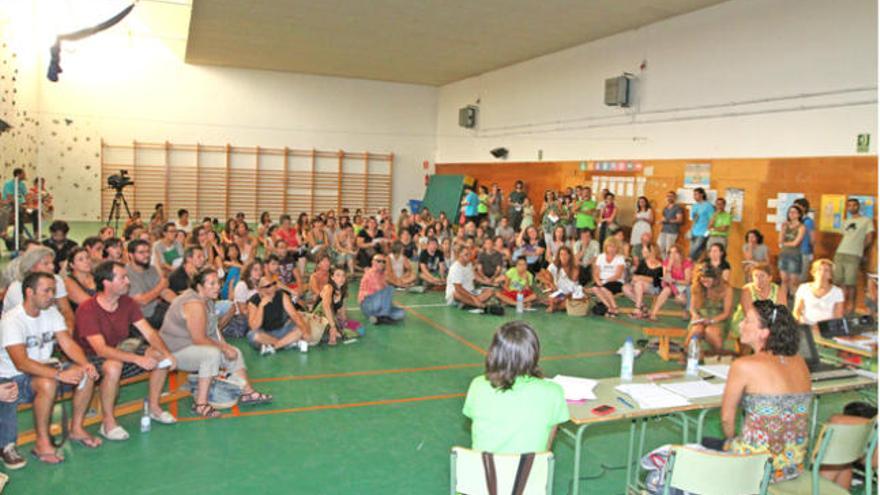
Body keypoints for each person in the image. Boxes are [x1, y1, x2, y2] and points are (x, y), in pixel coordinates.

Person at [0, 272, 102, 466]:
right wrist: (59, 374)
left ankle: (77, 429)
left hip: (46, 369)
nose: (52, 296)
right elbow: (21, 363)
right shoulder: (12, 320)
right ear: (30, 292)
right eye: (46, 291)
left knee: (86, 374)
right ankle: (42, 443)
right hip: (14, 378)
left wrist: (85, 364)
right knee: (47, 383)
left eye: (53, 291)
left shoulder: (51, 312)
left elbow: (67, 344)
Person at [75, 261, 178, 441]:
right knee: (113, 366)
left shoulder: (127, 303)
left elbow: (149, 332)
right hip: (92, 358)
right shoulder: (87, 309)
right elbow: (100, 349)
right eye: (122, 277)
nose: (128, 281)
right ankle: (108, 422)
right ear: (107, 283)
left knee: (159, 356)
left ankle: (154, 407)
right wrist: (136, 359)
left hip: (121, 350)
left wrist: (167, 353)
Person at [160, 269, 271, 418]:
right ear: (199, 287)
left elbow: (214, 332)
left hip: (190, 346)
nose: (217, 287)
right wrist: (224, 349)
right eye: (211, 283)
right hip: (173, 351)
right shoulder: (194, 303)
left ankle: (248, 393)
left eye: (217, 283)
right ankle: (201, 404)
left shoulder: (208, 301)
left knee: (234, 351)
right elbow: (199, 338)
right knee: (211, 354)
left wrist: (227, 347)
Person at [721, 301, 811, 483]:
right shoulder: (801, 362)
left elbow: (726, 420)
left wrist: (730, 442)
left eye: (747, 321)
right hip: (792, 466)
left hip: (755, 468)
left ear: (764, 333)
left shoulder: (743, 366)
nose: (740, 325)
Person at [462, 321, 569, 453]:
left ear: (495, 351)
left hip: (483, 470)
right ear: (533, 353)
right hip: (529, 472)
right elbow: (546, 448)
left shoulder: (477, 385)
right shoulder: (553, 392)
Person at [2, 246, 76, 332]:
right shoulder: (17, 288)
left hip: (51, 328)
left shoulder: (57, 280)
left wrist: (69, 330)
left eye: (52, 263)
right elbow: (30, 319)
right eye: (46, 263)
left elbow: (66, 310)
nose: (52, 267)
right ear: (31, 267)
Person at [729, 263, 786, 353]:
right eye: (755, 276)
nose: (758, 279)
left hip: (769, 321)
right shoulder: (747, 290)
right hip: (747, 321)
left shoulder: (778, 290)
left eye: (762, 276)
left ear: (770, 277)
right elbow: (749, 313)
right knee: (752, 332)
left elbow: (782, 312)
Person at [833, 198, 875, 314]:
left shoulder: (866, 220)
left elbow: (870, 237)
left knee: (850, 283)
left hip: (854, 255)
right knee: (838, 282)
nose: (852, 207)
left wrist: (861, 250)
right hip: (840, 253)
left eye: (854, 205)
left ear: (858, 207)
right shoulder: (845, 221)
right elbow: (843, 237)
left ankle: (850, 308)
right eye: (849, 205)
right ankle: (840, 307)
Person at [246, 276, 308, 355]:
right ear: (260, 290)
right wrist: (261, 306)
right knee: (253, 336)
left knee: (302, 328)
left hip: (283, 329)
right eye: (268, 286)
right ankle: (286, 343)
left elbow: (294, 315)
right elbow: (254, 327)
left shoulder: (281, 295)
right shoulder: (253, 301)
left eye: (274, 284)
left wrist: (306, 332)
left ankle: (273, 347)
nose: (272, 288)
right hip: (265, 333)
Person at [126, 239, 176, 330]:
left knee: (185, 312)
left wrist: (178, 302)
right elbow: (142, 301)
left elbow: (164, 291)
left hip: (156, 308)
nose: (147, 255)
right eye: (141, 252)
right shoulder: (126, 274)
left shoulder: (151, 269)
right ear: (131, 255)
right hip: (142, 316)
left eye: (148, 252)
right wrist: (161, 286)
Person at [686, 264, 734, 355]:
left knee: (711, 332)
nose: (705, 281)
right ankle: (686, 354)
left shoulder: (726, 288)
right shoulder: (697, 287)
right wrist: (695, 315)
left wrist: (711, 321)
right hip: (700, 317)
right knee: (697, 330)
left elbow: (726, 313)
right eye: (703, 278)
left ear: (716, 279)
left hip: (718, 318)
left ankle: (716, 355)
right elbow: (692, 308)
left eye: (708, 279)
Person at [647, 244, 693, 321]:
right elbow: (666, 278)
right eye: (671, 253)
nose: (673, 255)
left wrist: (675, 281)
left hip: (683, 285)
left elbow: (687, 281)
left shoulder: (686, 263)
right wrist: (669, 265)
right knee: (666, 290)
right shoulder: (667, 262)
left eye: (675, 252)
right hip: (670, 285)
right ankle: (653, 313)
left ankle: (686, 309)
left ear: (680, 254)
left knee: (680, 299)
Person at [794, 258, 845, 327]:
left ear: (831, 275)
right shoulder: (803, 288)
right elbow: (797, 311)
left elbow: (838, 315)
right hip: (807, 326)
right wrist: (801, 321)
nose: (822, 273)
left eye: (826, 270)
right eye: (819, 269)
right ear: (813, 272)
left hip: (827, 327)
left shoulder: (837, 292)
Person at [314, 267, 359, 345]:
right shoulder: (328, 287)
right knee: (339, 333)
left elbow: (343, 313)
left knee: (357, 331)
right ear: (332, 277)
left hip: (331, 318)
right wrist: (333, 326)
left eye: (343, 275)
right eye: (338, 275)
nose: (341, 278)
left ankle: (331, 333)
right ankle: (329, 332)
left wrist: (344, 323)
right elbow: (326, 307)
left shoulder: (344, 292)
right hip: (319, 317)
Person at [358, 254, 405, 324]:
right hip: (367, 303)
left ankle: (377, 318)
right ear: (373, 262)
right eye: (378, 261)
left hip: (377, 303)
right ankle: (384, 315)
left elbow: (384, 293)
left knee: (401, 313)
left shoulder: (382, 274)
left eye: (383, 262)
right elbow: (380, 290)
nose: (381, 263)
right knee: (390, 288)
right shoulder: (370, 273)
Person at [624, 244, 663, 319]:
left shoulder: (660, 264)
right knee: (625, 288)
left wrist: (641, 278)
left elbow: (657, 281)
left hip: (654, 287)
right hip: (640, 286)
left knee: (639, 283)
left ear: (651, 252)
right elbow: (635, 276)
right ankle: (643, 307)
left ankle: (637, 309)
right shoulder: (643, 262)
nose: (642, 251)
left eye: (644, 250)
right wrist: (634, 281)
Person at [589, 238, 626, 318]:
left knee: (604, 289)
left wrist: (605, 281)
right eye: (610, 246)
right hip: (602, 281)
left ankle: (614, 307)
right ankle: (610, 307)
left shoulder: (620, 258)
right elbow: (596, 273)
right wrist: (597, 280)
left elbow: (618, 275)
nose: (612, 249)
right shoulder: (600, 257)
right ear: (606, 247)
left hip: (616, 281)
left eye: (614, 247)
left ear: (617, 248)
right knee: (595, 288)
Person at [778, 205, 806, 301]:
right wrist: (783, 229)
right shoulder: (786, 225)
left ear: (799, 214)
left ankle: (795, 300)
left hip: (794, 255)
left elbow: (795, 243)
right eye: (790, 212)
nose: (791, 214)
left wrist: (784, 243)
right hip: (784, 254)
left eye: (794, 212)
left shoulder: (801, 227)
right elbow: (780, 240)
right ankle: (782, 301)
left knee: (794, 281)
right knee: (784, 280)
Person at [542, 246, 581, 313]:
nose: (563, 256)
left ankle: (555, 306)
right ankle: (554, 303)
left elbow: (573, 288)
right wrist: (551, 284)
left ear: (569, 256)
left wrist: (564, 297)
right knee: (550, 292)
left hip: (569, 294)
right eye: (561, 254)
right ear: (559, 256)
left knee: (573, 301)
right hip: (556, 292)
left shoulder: (574, 268)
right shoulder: (553, 266)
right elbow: (543, 278)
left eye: (565, 254)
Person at [64, 247, 97, 312]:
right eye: (81, 259)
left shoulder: (97, 276)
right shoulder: (68, 282)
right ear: (72, 265)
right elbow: (89, 305)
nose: (86, 261)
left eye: (87, 258)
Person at [793, 198, 817, 281]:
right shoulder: (795, 221)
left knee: (801, 278)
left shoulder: (808, 222)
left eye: (797, 207)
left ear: (804, 208)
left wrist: (812, 253)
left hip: (804, 252)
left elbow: (812, 239)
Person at [689, 187, 714, 260]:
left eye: (696, 194)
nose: (694, 196)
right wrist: (691, 230)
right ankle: (692, 267)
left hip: (703, 232)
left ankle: (688, 261)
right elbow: (693, 220)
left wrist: (708, 232)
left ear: (702, 194)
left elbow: (712, 220)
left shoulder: (708, 206)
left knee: (694, 250)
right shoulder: (694, 206)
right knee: (695, 252)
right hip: (694, 232)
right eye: (694, 194)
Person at [658, 191, 684, 258]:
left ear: (675, 198)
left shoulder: (678, 208)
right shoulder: (665, 208)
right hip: (663, 231)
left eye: (671, 196)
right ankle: (665, 263)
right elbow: (663, 219)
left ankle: (669, 265)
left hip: (672, 231)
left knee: (668, 250)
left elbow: (680, 220)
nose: (669, 198)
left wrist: (667, 220)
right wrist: (660, 221)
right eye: (668, 196)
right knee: (659, 248)